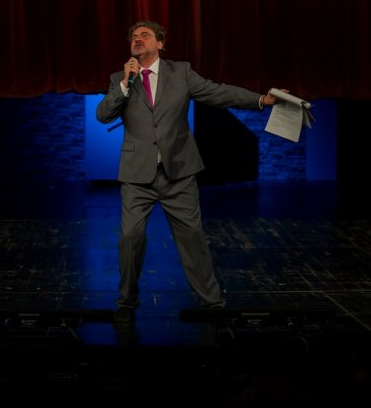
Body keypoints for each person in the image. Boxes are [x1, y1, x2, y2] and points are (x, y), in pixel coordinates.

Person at [96, 20, 281, 322]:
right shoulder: (120, 78)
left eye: (145, 35)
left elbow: (218, 93)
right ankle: (126, 302)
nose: (137, 39)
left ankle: (212, 303)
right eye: (133, 36)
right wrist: (125, 84)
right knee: (130, 237)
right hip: (137, 176)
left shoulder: (180, 72)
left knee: (192, 237)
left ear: (160, 44)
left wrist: (260, 100)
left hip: (178, 172)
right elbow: (103, 115)